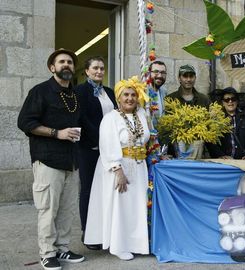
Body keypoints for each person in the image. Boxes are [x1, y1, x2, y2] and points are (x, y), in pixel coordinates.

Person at [17, 48, 85, 270]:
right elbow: (25, 123)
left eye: (70, 62)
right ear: (52, 67)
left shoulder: (74, 94)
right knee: (48, 209)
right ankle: (47, 253)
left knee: (67, 210)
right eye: (62, 62)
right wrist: (57, 133)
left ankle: (62, 248)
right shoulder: (40, 91)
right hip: (47, 160)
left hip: (72, 161)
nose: (67, 65)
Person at [84, 76, 150, 261]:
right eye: (125, 95)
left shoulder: (142, 114)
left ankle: (136, 243)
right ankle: (119, 245)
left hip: (139, 165)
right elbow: (107, 144)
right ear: (118, 98)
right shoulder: (110, 118)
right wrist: (117, 170)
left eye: (133, 95)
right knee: (121, 207)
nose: (130, 98)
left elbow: (145, 139)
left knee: (136, 206)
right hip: (119, 166)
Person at [75, 56, 117, 250]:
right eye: (95, 68)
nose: (99, 71)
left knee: (105, 189)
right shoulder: (80, 91)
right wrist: (101, 138)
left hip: (110, 148)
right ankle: (87, 231)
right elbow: (81, 119)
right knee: (88, 189)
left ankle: (105, 229)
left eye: (102, 68)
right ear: (87, 71)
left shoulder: (109, 92)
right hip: (90, 148)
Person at [207, 87, 245, 159]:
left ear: (237, 101)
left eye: (233, 99)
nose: (230, 102)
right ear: (223, 103)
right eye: (227, 100)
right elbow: (210, 140)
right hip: (223, 161)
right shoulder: (216, 118)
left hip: (242, 160)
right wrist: (220, 155)